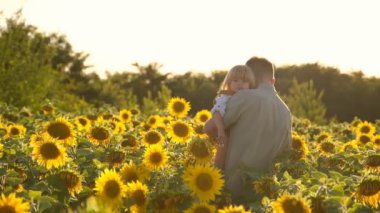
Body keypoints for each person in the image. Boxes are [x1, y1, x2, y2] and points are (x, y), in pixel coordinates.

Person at [223, 57, 292, 202]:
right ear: (273, 81)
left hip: (229, 193)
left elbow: (212, 128)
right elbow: (286, 154)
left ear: (250, 77)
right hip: (262, 198)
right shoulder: (286, 112)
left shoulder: (243, 97)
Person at [204, 65, 255, 170]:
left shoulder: (252, 97)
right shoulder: (226, 97)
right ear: (228, 83)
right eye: (235, 80)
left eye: (244, 81)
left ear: (251, 84)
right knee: (223, 147)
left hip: (244, 132)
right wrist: (221, 130)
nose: (240, 83)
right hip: (225, 131)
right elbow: (217, 112)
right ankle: (218, 171)